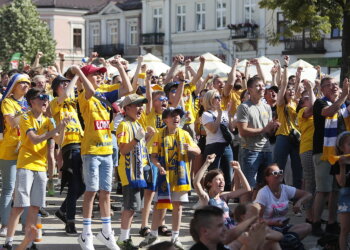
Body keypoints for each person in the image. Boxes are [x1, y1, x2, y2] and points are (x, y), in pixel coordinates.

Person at [74, 59, 132, 250]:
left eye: (101, 74)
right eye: (95, 74)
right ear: (85, 78)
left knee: (106, 192)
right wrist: (79, 73)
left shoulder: (105, 93)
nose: (99, 77)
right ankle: (86, 234)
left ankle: (106, 232)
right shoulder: (83, 95)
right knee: (91, 191)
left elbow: (128, 88)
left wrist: (120, 67)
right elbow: (88, 91)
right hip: (91, 151)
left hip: (107, 150)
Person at [3, 88, 68, 250]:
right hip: (25, 165)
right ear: (32, 101)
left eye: (47, 98)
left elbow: (59, 140)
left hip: (41, 167)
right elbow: (34, 139)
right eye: (42, 98)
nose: (46, 101)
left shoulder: (48, 120)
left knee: (35, 207)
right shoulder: (25, 117)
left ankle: (29, 241)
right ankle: (9, 241)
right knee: (19, 206)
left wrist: (63, 126)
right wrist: (55, 129)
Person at [140, 107, 201, 249]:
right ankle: (153, 235)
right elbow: (153, 157)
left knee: (178, 206)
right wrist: (159, 167)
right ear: (165, 119)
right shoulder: (159, 134)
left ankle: (175, 237)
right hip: (164, 177)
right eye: (172, 116)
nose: (176, 118)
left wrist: (190, 149)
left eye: (178, 115)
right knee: (160, 206)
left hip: (181, 176)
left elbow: (197, 150)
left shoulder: (185, 134)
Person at [311, 77, 349, 236]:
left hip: (338, 154)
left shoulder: (343, 106)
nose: (334, 87)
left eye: (335, 84)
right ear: (322, 90)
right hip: (323, 152)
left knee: (335, 190)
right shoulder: (320, 102)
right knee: (323, 190)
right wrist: (343, 96)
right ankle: (315, 223)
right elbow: (329, 112)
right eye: (329, 85)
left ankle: (332, 223)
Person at [50, 75, 85, 235]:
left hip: (82, 145)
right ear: (56, 88)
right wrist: (76, 74)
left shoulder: (73, 103)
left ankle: (63, 210)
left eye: (67, 82)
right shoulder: (54, 103)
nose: (67, 85)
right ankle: (70, 221)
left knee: (83, 186)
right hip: (69, 146)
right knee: (74, 186)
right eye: (63, 83)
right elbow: (64, 95)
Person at [236, 76, 279, 201]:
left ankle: (258, 215)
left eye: (263, 85)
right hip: (250, 151)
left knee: (264, 187)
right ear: (250, 89)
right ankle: (244, 216)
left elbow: (268, 133)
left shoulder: (266, 107)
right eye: (258, 86)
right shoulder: (244, 107)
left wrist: (273, 128)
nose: (262, 88)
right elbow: (242, 131)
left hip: (266, 150)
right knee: (248, 187)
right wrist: (264, 129)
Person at [116, 93, 149, 249]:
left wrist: (146, 138)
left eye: (141, 105)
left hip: (138, 171)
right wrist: (136, 139)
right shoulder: (124, 125)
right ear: (127, 108)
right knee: (129, 206)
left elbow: (138, 147)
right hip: (130, 171)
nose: (140, 108)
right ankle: (123, 238)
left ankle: (126, 237)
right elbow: (123, 150)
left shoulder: (137, 124)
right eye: (137, 105)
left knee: (133, 207)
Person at [0, 74, 30, 237]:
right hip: (9, 149)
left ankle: (26, 224)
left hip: (26, 150)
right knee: (8, 188)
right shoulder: (7, 102)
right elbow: (12, 123)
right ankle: (5, 225)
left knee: (24, 189)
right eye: (22, 82)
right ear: (14, 85)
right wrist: (31, 112)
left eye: (28, 83)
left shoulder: (29, 103)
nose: (26, 85)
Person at [254, 164, 312, 240]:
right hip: (268, 228)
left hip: (283, 227)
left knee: (308, 227)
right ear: (267, 178)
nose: (279, 175)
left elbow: (308, 194)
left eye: (280, 172)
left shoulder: (285, 189)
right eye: (275, 173)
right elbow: (258, 219)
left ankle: (284, 240)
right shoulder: (263, 193)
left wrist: (299, 202)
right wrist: (273, 223)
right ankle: (287, 240)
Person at [273, 56, 302, 189]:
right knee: (279, 167)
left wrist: (299, 76)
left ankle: (295, 196)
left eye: (292, 90)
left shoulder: (296, 103)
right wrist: (285, 66)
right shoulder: (281, 104)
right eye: (288, 90)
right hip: (283, 137)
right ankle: (277, 191)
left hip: (296, 138)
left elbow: (297, 89)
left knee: (297, 167)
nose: (291, 91)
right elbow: (284, 84)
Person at [201, 89, 234, 191]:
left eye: (220, 97)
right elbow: (214, 130)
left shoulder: (223, 113)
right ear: (209, 99)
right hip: (213, 146)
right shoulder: (206, 115)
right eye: (216, 97)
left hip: (226, 146)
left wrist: (229, 115)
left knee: (228, 174)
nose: (219, 99)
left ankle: (225, 200)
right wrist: (219, 114)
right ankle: (213, 198)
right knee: (215, 175)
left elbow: (232, 129)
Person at [296, 80, 316, 223]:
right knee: (310, 183)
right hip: (308, 149)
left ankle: (316, 215)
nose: (310, 97)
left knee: (318, 184)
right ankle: (310, 217)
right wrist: (310, 88)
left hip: (319, 149)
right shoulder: (302, 112)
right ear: (302, 102)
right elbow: (314, 107)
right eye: (307, 97)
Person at [330, 131, 350, 250]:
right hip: (346, 196)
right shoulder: (337, 162)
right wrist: (342, 166)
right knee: (345, 229)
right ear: (342, 148)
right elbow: (341, 183)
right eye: (349, 144)